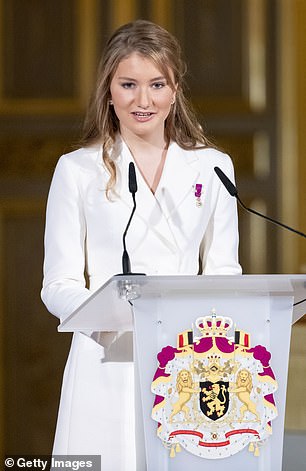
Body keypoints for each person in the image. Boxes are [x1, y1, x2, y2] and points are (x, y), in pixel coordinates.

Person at [41, 19, 242, 471]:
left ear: (175, 90)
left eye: (157, 85)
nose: (143, 100)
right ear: (108, 90)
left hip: (190, 362)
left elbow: (225, 272)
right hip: (107, 361)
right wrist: (112, 314)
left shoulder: (212, 167)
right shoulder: (77, 170)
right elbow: (57, 284)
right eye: (128, 84)